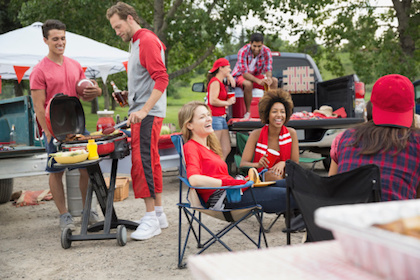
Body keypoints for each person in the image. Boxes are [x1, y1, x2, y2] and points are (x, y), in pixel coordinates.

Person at [30, 19, 102, 230]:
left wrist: (95, 91)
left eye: (63, 38)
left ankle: (88, 210)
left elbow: (85, 94)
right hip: (54, 129)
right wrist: (50, 134)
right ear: (45, 40)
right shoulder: (39, 71)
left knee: (88, 168)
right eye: (55, 39)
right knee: (55, 171)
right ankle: (64, 215)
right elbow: (39, 108)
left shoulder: (75, 65)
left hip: (76, 127)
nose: (60, 42)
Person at [106, 2, 169, 240]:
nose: (117, 31)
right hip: (144, 112)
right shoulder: (135, 44)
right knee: (150, 162)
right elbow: (145, 81)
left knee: (142, 164)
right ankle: (159, 214)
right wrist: (127, 96)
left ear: (130, 18)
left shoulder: (146, 40)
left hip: (147, 115)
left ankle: (150, 218)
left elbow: (162, 79)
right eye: (114, 28)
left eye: (118, 26)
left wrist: (143, 110)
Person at [179, 101, 295, 213]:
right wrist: (229, 183)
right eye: (202, 117)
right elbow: (194, 180)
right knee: (294, 195)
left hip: (235, 190)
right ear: (189, 125)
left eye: (209, 115)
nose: (209, 118)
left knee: (295, 183)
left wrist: (239, 182)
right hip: (226, 197)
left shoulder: (209, 148)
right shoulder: (191, 147)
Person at [329, 74, 420, 201]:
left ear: (370, 107)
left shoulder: (345, 138)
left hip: (345, 218)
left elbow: (330, 187)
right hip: (393, 220)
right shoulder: (416, 143)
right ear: (411, 111)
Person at [240, 89, 299, 181]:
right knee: (274, 176)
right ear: (267, 114)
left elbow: (295, 163)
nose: (279, 115)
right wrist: (258, 165)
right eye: (274, 111)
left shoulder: (291, 133)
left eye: (282, 112)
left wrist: (284, 163)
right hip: (262, 179)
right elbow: (243, 164)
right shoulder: (256, 134)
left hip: (287, 177)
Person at [231, 33, 278, 119]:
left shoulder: (266, 51)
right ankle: (248, 112)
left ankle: (271, 108)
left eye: (259, 46)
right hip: (240, 76)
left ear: (262, 44)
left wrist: (268, 79)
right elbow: (244, 73)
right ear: (250, 43)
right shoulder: (243, 51)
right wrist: (258, 81)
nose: (256, 49)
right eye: (254, 46)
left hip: (256, 75)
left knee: (274, 81)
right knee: (248, 84)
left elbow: (268, 68)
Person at [206, 58, 235, 160]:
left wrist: (229, 76)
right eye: (228, 67)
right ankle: (213, 171)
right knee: (215, 148)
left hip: (222, 118)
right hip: (215, 117)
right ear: (221, 68)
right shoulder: (215, 82)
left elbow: (234, 84)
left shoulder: (221, 82)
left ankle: (219, 169)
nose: (230, 70)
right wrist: (227, 103)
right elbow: (213, 100)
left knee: (226, 148)